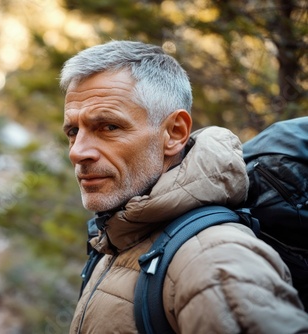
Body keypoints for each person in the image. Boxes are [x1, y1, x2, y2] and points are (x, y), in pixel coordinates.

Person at [59, 40, 308, 334]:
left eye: (109, 127)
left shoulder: (213, 263)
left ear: (174, 133)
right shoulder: (121, 234)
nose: (77, 152)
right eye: (74, 131)